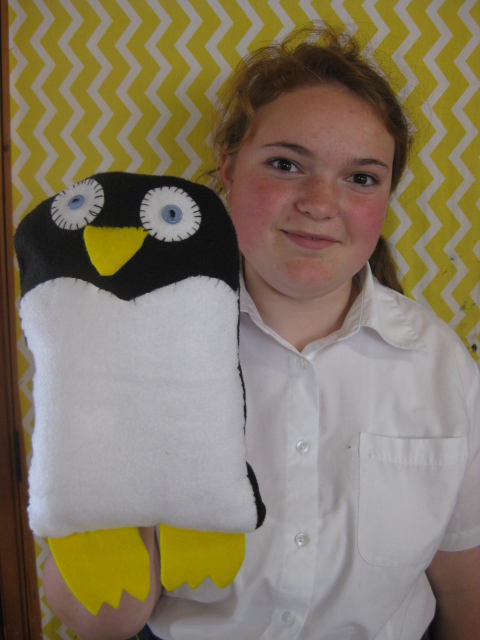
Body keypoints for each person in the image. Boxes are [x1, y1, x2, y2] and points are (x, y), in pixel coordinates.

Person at [42, 23, 480, 640]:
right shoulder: (140, 348)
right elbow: (101, 621)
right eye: (285, 164)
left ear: (388, 195)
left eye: (361, 177)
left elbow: (463, 583)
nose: (319, 202)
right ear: (228, 168)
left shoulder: (440, 364)